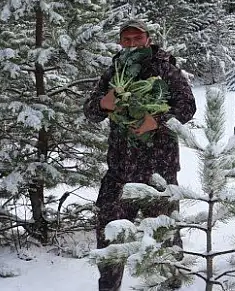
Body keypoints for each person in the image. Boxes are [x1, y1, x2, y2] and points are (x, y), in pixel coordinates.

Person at [83, 20, 196, 291]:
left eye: (137, 37)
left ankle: (171, 283)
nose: (132, 43)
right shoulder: (113, 72)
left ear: (148, 39)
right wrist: (102, 103)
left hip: (159, 171)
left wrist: (156, 120)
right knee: (109, 233)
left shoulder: (165, 69)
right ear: (121, 42)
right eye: (127, 39)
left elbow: (187, 107)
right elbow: (90, 112)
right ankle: (108, 287)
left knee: (165, 234)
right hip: (120, 172)